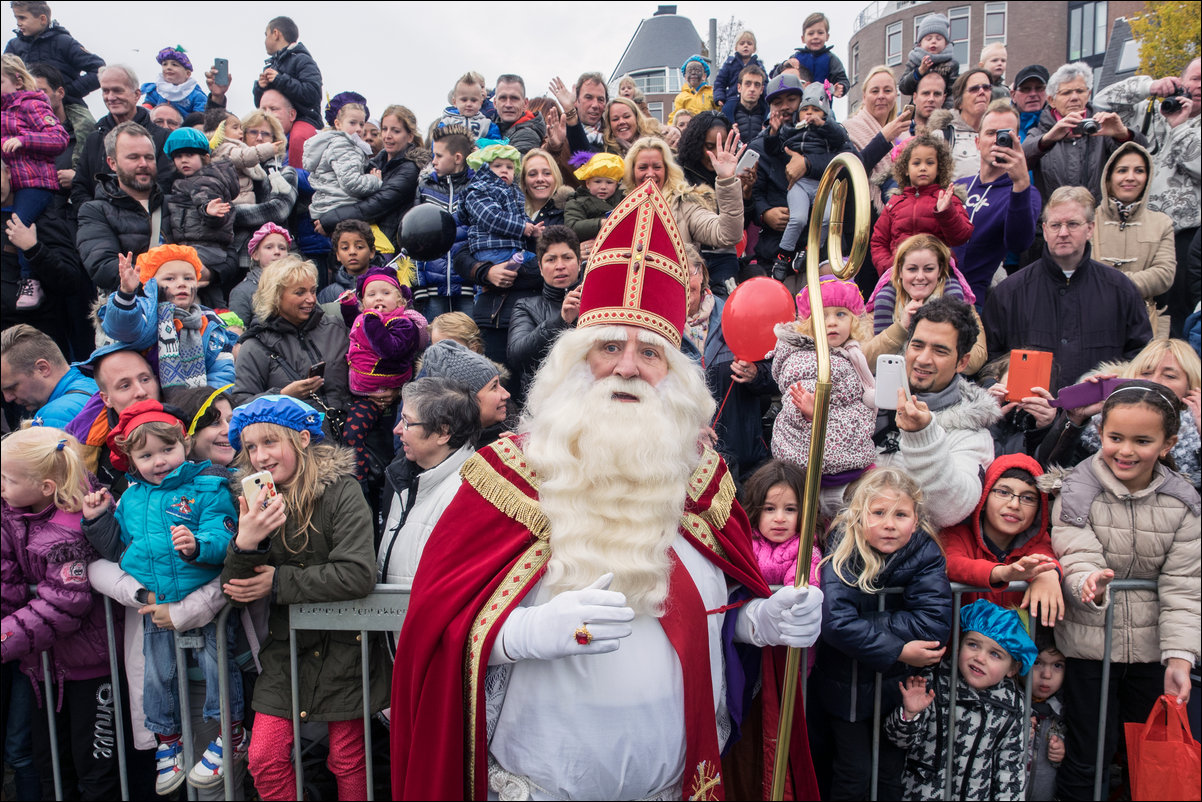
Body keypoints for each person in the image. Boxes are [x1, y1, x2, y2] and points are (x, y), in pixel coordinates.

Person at [390, 179, 824, 800]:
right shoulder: (506, 477)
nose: (626, 366)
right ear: (572, 361)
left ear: (674, 374)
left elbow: (713, 620)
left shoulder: (703, 483)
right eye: (608, 347)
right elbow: (435, 630)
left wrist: (760, 622)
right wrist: (522, 634)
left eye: (650, 352)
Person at [221, 395, 388, 801]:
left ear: (301, 438)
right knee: (263, 757)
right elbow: (237, 588)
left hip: (345, 650)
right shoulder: (254, 497)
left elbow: (357, 573)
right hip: (288, 651)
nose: (260, 456)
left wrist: (277, 583)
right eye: (251, 447)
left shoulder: (341, 491)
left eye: (269, 442)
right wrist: (246, 542)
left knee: (348, 759)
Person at [79, 400, 244, 793]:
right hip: (157, 604)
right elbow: (118, 551)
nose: (159, 461)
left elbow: (226, 537)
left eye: (166, 450)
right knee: (156, 676)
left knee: (216, 665)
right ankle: (168, 743)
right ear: (131, 460)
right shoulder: (131, 499)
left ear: (185, 445)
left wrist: (197, 545)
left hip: (201, 602)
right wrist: (97, 519)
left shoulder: (208, 485)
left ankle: (230, 732)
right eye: (146, 455)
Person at [1049, 381, 1200, 800]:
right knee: (1088, 758)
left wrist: (1180, 658)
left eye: (1142, 440)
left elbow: (1185, 586)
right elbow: (1075, 554)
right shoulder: (1076, 489)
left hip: (1152, 653)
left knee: (1145, 761)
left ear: (1167, 444)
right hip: (1090, 650)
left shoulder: (1183, 502)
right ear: (1100, 435)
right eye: (1115, 438)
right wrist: (1089, 584)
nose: (1126, 450)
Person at [809, 466, 952, 800]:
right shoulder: (844, 547)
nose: (889, 524)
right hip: (848, 690)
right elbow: (835, 623)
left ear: (915, 521)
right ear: (859, 516)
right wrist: (900, 648)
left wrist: (864, 626)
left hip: (896, 691)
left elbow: (931, 626)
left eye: (901, 514)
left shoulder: (924, 552)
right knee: (853, 774)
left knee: (889, 776)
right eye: (878, 513)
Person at [1, 426, 124, 801]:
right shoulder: (13, 515)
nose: (0, 485)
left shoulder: (69, 528)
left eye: (6, 478)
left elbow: (63, 604)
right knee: (52, 769)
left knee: (96, 774)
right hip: (43, 669)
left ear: (46, 487)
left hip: (93, 670)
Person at [983, 186, 1152, 393]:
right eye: (1055, 225)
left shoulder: (1120, 290)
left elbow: (1141, 357)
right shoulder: (1009, 292)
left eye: (1072, 224)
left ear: (1090, 228)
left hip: (1099, 416)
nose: (1063, 233)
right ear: (1044, 230)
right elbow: (989, 361)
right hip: (1027, 416)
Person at [886, 600, 1035, 800]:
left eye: (995, 654)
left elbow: (1010, 770)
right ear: (958, 646)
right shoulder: (933, 682)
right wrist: (910, 714)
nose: (980, 658)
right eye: (973, 645)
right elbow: (899, 740)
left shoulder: (1014, 705)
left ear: (1012, 669)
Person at [1094, 57, 1201, 336]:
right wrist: (1149, 86)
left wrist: (1180, 127)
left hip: (1188, 237)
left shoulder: (1185, 123)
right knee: (1137, 313)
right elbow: (1102, 102)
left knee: (1182, 319)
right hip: (1140, 229)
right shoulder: (1153, 111)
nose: (1200, 86)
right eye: (1196, 79)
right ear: (1182, 81)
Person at [873, 296, 1001, 529]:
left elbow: (951, 509)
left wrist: (922, 436)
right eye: (917, 345)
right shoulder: (868, 400)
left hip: (917, 559)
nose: (923, 359)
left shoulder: (972, 430)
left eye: (940, 351)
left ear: (962, 363)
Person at [1036, 338, 1201, 490]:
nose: (1154, 381)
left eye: (1170, 376)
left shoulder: (1196, 432)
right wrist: (1076, 418)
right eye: (1146, 373)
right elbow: (1049, 470)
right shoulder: (1099, 422)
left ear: (1190, 388)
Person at [773, 277, 876, 517]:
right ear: (808, 323)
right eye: (823, 315)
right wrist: (808, 412)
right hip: (818, 462)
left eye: (841, 314)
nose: (831, 322)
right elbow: (794, 394)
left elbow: (855, 397)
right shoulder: (806, 358)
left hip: (850, 457)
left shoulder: (848, 353)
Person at [378, 378, 481, 598]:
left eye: (407, 422)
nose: (397, 430)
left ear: (444, 433)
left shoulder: (466, 493)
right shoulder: (404, 476)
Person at [941, 453, 1064, 624]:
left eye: (1028, 498)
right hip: (959, 647)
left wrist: (1048, 574)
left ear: (1038, 510)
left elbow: (1045, 558)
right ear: (983, 499)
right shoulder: (957, 534)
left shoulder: (1037, 540)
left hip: (1010, 650)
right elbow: (952, 564)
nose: (1014, 504)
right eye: (1004, 492)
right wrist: (1001, 573)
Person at [233, 255, 352, 427]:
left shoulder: (335, 327)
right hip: (297, 445)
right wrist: (282, 397)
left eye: (312, 290)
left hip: (353, 438)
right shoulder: (255, 346)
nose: (311, 299)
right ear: (275, 296)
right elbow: (241, 405)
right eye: (300, 292)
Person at [98, 245, 236, 391]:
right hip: (141, 399)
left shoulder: (209, 324)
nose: (181, 283)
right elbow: (122, 329)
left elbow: (221, 371)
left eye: (188, 278)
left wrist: (212, 401)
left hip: (197, 403)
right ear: (151, 285)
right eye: (170, 278)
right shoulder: (144, 313)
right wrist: (126, 293)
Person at [342, 265, 427, 483]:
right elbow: (356, 325)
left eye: (386, 293)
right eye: (372, 294)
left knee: (396, 442)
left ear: (400, 302)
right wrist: (349, 307)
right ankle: (358, 481)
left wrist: (371, 320)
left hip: (396, 395)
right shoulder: (367, 318)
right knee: (352, 433)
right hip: (365, 395)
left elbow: (389, 349)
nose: (379, 298)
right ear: (364, 302)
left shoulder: (403, 323)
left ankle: (399, 482)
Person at [1023, 61, 1147, 207]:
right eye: (1066, 92)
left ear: (1088, 95)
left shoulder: (1103, 128)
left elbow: (1143, 158)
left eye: (1080, 91)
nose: (1074, 97)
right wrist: (1048, 139)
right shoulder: (1040, 132)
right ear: (1051, 100)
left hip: (1096, 221)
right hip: (1054, 222)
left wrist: (1123, 135)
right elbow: (1021, 160)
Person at [954, 100, 1042, 302]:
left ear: (1017, 140)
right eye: (991, 133)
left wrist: (1020, 185)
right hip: (937, 289)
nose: (997, 140)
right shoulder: (960, 185)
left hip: (976, 300)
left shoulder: (1025, 191)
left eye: (1005, 135)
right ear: (977, 142)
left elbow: (1018, 243)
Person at [767, 82, 856, 280]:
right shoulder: (791, 130)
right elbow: (773, 150)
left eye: (815, 110)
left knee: (825, 219)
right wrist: (773, 133)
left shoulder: (828, 132)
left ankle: (810, 250)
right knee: (798, 218)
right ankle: (783, 257)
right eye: (805, 110)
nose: (809, 114)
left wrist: (824, 124)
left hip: (823, 184)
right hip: (798, 184)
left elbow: (843, 143)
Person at [864, 233, 987, 374]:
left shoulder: (961, 304)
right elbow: (864, 362)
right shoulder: (882, 303)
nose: (920, 277)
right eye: (912, 269)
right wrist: (900, 328)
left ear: (940, 271)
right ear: (900, 271)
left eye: (929, 269)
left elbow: (975, 362)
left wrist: (946, 325)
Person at [3, 53, 68, 309]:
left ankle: (30, 280)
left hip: (34, 181)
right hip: (8, 185)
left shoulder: (33, 103)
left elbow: (58, 138)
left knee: (19, 225)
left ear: (18, 81)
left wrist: (24, 139)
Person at [1090, 142, 1175, 336]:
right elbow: (1080, 268)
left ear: (1147, 177)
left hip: (1144, 322)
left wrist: (1116, 284)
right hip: (1093, 317)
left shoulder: (1162, 223)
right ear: (1108, 178)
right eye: (1122, 170)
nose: (1130, 177)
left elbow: (1164, 274)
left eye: (1139, 171)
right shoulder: (1088, 220)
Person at [317, 104, 429, 250]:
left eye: (395, 131)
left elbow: (376, 205)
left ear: (409, 137)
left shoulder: (410, 168)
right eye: (384, 129)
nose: (387, 136)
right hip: (363, 242)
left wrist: (331, 219)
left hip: (388, 246)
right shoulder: (375, 162)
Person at [74, 120, 167, 293]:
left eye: (149, 157)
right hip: (132, 311)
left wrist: (209, 271)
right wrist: (166, 285)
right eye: (133, 157)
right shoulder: (94, 211)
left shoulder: (174, 203)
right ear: (112, 163)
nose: (143, 164)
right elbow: (103, 267)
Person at [70, 64, 172, 212]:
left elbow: (165, 184)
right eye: (106, 91)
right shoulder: (94, 139)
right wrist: (96, 215)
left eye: (117, 90)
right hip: (99, 227)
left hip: (146, 224)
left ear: (137, 95)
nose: (111, 97)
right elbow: (80, 187)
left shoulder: (162, 138)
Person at [870, 134, 973, 276]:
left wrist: (946, 212)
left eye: (930, 163)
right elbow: (878, 241)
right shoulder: (895, 203)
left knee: (956, 296)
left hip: (940, 275)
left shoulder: (946, 199)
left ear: (939, 168)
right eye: (916, 163)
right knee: (882, 299)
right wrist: (889, 267)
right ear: (905, 169)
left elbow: (961, 236)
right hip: (900, 275)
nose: (923, 168)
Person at [624, 135, 744, 254]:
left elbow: (727, 235)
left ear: (667, 170)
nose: (650, 173)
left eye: (657, 167)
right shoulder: (623, 207)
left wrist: (726, 180)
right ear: (632, 172)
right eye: (643, 167)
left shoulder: (684, 204)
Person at [160, 127, 239, 297]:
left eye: (190, 155)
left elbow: (205, 200)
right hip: (201, 246)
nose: (184, 160)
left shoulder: (203, 181)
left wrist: (208, 211)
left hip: (205, 247)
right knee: (206, 291)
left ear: (205, 157)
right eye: (179, 156)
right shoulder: (190, 180)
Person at [507, 226, 582, 399]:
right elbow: (517, 357)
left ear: (579, 263)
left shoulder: (598, 302)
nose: (560, 266)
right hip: (543, 403)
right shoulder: (525, 306)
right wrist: (561, 320)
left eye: (567, 257)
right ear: (540, 268)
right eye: (551, 259)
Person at [411, 123, 474, 320]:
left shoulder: (477, 187)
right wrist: (420, 284)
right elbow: (415, 237)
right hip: (433, 287)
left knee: (471, 342)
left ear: (457, 158)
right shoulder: (424, 187)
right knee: (435, 343)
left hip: (468, 285)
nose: (433, 161)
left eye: (439, 155)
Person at [742, 459, 821, 590]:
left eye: (790, 509)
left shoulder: (807, 550)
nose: (779, 518)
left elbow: (798, 593)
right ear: (755, 510)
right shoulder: (744, 543)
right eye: (769, 509)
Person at [1, 323, 96, 427]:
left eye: (12, 387)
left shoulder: (54, 416)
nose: (7, 398)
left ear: (42, 368)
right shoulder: (96, 386)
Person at [304, 95, 381, 221]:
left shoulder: (333, 143)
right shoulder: (344, 145)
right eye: (352, 123)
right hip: (340, 205)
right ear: (338, 124)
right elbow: (351, 183)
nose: (358, 129)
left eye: (361, 124)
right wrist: (374, 180)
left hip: (328, 205)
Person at [418, 339, 509, 443]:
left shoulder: (518, 436)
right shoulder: (433, 453)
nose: (507, 394)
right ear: (465, 401)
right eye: (494, 387)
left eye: (499, 384)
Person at [253, 16, 322, 133]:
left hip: (303, 120)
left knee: (298, 137)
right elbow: (259, 105)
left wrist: (280, 80)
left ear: (276, 34)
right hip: (274, 124)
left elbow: (312, 94)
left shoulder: (302, 60)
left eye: (266, 35)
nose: (265, 40)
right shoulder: (271, 66)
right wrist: (260, 87)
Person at [927, 68, 995, 182]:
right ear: (959, 102)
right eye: (974, 89)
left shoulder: (1000, 134)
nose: (982, 92)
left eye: (986, 88)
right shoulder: (942, 137)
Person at [208, 111, 285, 206]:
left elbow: (279, 210)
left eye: (265, 134)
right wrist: (267, 149)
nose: (259, 138)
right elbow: (243, 156)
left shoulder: (284, 172)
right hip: (236, 206)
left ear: (275, 138)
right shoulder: (228, 149)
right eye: (253, 132)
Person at [1028, 634, 1068, 801]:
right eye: (1037, 663)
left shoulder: (1065, 713)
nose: (1047, 675)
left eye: (1057, 665)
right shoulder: (1009, 706)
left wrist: (1063, 751)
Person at [228, 222, 290, 327]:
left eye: (282, 248)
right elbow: (237, 333)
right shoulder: (242, 291)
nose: (277, 252)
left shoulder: (297, 284)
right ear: (255, 255)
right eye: (269, 247)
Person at [898, 14, 960, 105]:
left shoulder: (951, 64)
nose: (933, 41)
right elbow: (903, 87)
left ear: (946, 43)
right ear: (920, 44)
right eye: (928, 38)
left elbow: (953, 92)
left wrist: (945, 114)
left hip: (941, 112)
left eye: (938, 38)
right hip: (918, 111)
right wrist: (918, 72)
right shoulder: (915, 60)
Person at [319, 218, 382, 303]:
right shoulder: (329, 294)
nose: (352, 252)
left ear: (372, 251)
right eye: (345, 248)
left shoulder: (386, 286)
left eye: (359, 247)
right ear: (338, 255)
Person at [564, 152, 624, 241]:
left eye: (609, 182)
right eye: (598, 182)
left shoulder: (624, 200)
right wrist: (600, 223)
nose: (603, 187)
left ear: (616, 185)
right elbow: (572, 227)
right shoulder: (576, 202)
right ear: (588, 183)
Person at [791, 13, 850, 98]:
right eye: (811, 33)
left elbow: (842, 79)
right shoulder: (796, 58)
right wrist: (785, 64)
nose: (815, 36)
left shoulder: (831, 59)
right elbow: (780, 75)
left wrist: (841, 87)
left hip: (822, 105)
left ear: (827, 36)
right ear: (803, 38)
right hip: (799, 104)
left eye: (820, 33)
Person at [139, 46, 206, 116]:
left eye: (174, 65)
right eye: (165, 64)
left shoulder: (196, 95)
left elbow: (200, 119)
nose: (168, 67)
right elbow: (145, 113)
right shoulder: (155, 91)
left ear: (187, 73)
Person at [437, 71, 500, 143]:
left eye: (473, 100)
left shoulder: (487, 125)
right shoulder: (447, 122)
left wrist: (481, 147)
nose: (469, 104)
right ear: (454, 102)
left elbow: (497, 144)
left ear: (480, 102)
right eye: (464, 100)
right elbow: (437, 143)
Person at [492, 74, 545, 155]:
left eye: (514, 98)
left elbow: (514, 166)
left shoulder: (528, 134)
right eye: (503, 98)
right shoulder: (489, 127)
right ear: (495, 103)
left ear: (525, 103)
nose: (508, 104)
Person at [713, 30, 765, 108]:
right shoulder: (730, 64)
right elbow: (720, 82)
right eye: (742, 43)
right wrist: (720, 97)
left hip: (755, 101)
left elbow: (765, 84)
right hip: (733, 99)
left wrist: (767, 97)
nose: (746, 45)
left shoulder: (759, 66)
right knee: (726, 114)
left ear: (754, 49)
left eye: (749, 43)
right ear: (736, 48)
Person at [721, 64, 768, 140]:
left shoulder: (769, 119)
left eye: (757, 85)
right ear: (739, 87)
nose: (752, 89)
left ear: (762, 90)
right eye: (747, 84)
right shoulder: (726, 117)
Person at [1011, 64, 1049, 141]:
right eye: (1025, 89)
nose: (1033, 94)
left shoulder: (1058, 125)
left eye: (1039, 88)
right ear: (1013, 95)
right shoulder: (1003, 125)